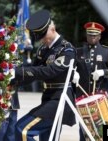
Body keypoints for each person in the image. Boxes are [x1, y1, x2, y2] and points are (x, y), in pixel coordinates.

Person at [13, 9, 76, 141]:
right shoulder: (44, 49)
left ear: (52, 29)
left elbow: (49, 71)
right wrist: (12, 79)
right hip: (48, 98)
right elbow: (33, 71)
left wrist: (18, 72)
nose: (41, 41)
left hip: (60, 100)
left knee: (22, 129)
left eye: (43, 36)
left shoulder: (67, 49)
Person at [72, 22, 108, 141]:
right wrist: (73, 73)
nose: (92, 37)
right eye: (90, 35)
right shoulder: (78, 52)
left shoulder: (107, 52)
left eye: (95, 35)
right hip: (83, 97)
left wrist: (103, 72)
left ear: (99, 36)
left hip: (100, 98)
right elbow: (70, 69)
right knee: (84, 129)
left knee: (103, 130)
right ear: (86, 35)